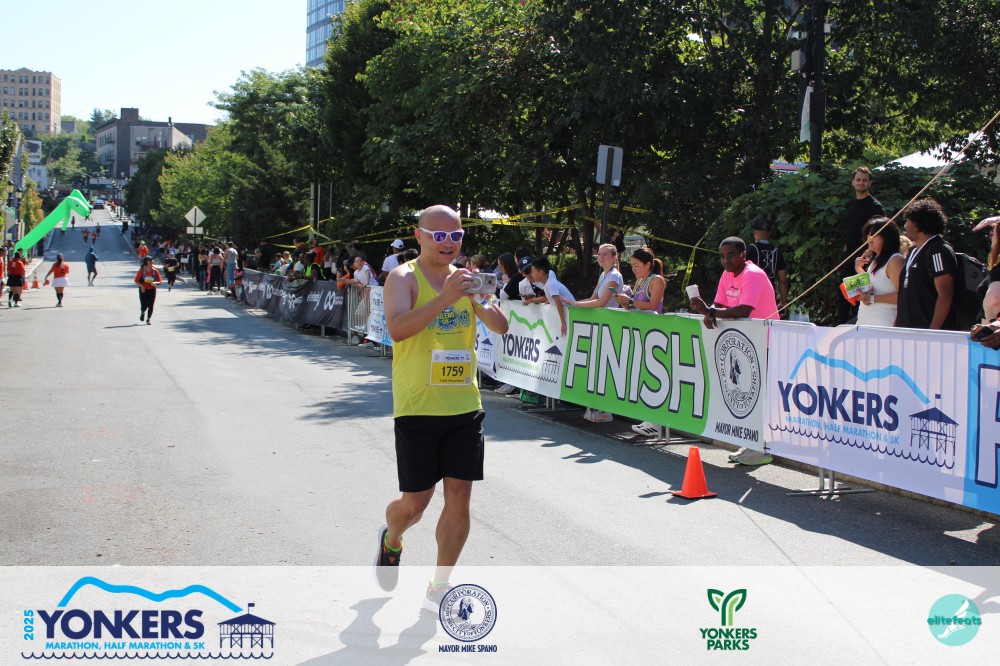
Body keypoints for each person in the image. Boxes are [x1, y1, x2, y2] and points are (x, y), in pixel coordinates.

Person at [375, 205, 509, 608]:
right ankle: (392, 537)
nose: (448, 243)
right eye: (439, 235)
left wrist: (481, 300)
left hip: (464, 405)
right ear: (420, 237)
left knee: (460, 499)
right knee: (415, 504)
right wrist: (446, 298)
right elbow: (397, 330)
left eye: (456, 235)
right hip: (417, 406)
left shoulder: (465, 280)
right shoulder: (403, 278)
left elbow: (501, 326)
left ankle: (440, 582)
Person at [689, 237, 778, 465]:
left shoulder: (752, 274)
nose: (726, 260)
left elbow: (744, 310)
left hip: (766, 341)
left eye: (731, 255)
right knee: (748, 393)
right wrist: (707, 310)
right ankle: (753, 444)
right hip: (746, 343)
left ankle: (763, 448)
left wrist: (710, 312)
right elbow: (719, 305)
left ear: (743, 255)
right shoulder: (727, 274)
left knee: (761, 395)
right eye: (722, 256)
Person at [561, 244, 624, 423]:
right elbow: (592, 298)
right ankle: (596, 407)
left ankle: (605, 409)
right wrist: (571, 303)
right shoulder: (603, 275)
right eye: (599, 254)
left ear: (614, 257)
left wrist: (576, 304)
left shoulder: (614, 276)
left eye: (605, 254)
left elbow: (601, 302)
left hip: (610, 326)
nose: (600, 257)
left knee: (606, 367)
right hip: (599, 326)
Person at [895, 198, 958, 330]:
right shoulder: (913, 250)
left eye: (908, 221)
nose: (905, 226)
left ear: (917, 224)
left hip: (927, 331)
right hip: (906, 329)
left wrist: (933, 330)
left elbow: (945, 294)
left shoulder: (938, 250)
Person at [839, 167, 886, 323]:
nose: (861, 183)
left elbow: (879, 233)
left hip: (865, 257)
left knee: (861, 293)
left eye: (864, 180)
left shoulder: (875, 206)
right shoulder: (851, 204)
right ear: (853, 182)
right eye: (858, 180)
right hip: (848, 255)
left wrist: (869, 253)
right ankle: (840, 325)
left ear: (869, 183)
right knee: (845, 292)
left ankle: (859, 324)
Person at [853, 218, 904, 327]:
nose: (869, 238)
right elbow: (873, 285)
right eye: (868, 234)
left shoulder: (895, 260)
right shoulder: (877, 259)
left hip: (884, 325)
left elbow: (904, 296)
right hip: (865, 324)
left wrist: (870, 299)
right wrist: (859, 269)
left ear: (887, 237)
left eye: (873, 234)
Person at [746, 217, 789, 313]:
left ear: (754, 231)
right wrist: (783, 302)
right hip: (769, 296)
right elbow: (782, 280)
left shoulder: (749, 250)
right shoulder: (777, 251)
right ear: (769, 233)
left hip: (750, 296)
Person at [523, 256, 573, 336]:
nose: (532, 275)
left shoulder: (551, 283)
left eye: (533, 272)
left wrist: (563, 323)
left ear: (541, 272)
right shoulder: (546, 283)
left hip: (572, 311)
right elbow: (553, 298)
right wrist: (549, 301)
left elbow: (559, 303)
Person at [612, 248, 666, 314]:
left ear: (648, 265)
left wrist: (628, 300)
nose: (633, 269)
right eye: (632, 266)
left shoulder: (657, 280)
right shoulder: (639, 280)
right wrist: (621, 300)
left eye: (636, 266)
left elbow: (653, 306)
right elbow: (630, 306)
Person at [974, 216, 1000, 321]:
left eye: (992, 233)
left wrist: (991, 323)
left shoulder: (998, 272)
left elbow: (996, 298)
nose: (991, 237)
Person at [135, 256, 162, 324]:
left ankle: (148, 319)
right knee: (144, 304)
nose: (151, 262)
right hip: (143, 290)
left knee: (151, 304)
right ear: (146, 262)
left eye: (152, 260)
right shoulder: (142, 271)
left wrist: (155, 283)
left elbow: (160, 281)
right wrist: (141, 286)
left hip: (152, 289)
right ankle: (143, 312)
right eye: (150, 260)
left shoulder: (155, 271)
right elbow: (136, 280)